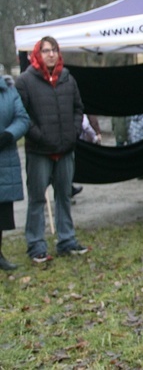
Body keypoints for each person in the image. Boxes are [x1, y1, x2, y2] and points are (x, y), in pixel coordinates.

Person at [15, 36, 89, 264]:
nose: (50, 54)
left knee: (64, 196)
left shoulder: (68, 79)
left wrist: (73, 132)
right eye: (46, 50)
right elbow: (22, 115)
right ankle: (36, 245)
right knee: (37, 199)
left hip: (65, 149)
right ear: (38, 54)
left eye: (54, 50)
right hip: (39, 151)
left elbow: (78, 108)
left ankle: (67, 240)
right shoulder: (25, 81)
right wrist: (40, 136)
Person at [0, 74, 31, 270]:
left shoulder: (8, 91)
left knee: (0, 211)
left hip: (4, 159)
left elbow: (22, 118)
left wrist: (8, 135)